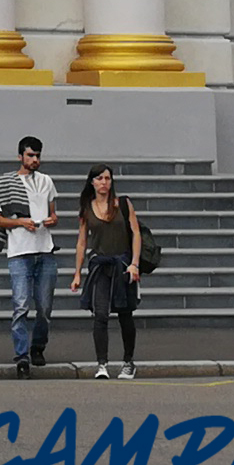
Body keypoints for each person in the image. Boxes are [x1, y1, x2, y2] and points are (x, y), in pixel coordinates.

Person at [0, 135, 60, 375]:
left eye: (37, 155)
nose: (35, 159)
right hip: (19, 252)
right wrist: (21, 222)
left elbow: (54, 214)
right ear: (20, 156)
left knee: (45, 307)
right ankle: (22, 356)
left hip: (45, 249)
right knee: (20, 306)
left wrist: (51, 220)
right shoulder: (7, 184)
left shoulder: (47, 181)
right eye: (30, 155)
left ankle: (38, 346)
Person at [69, 162, 144, 379]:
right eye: (100, 178)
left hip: (123, 265)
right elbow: (82, 242)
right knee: (100, 315)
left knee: (125, 314)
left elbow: (136, 233)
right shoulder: (87, 208)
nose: (104, 182)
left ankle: (128, 362)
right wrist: (77, 273)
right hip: (100, 266)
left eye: (107, 178)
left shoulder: (123, 204)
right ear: (92, 182)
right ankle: (102, 363)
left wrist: (134, 263)